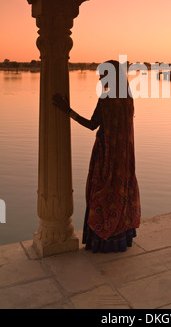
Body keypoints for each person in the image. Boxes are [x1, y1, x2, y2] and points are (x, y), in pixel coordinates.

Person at [52, 60, 141, 253]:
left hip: (107, 154)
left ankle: (102, 239)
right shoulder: (127, 97)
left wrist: (67, 110)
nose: (100, 78)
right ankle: (120, 237)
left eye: (102, 74)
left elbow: (93, 124)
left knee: (101, 191)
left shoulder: (107, 97)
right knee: (119, 191)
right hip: (124, 157)